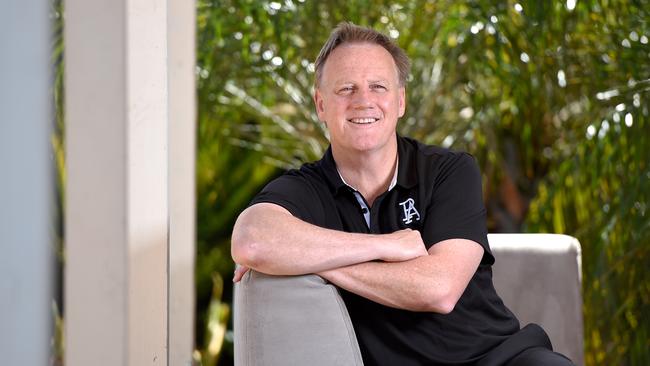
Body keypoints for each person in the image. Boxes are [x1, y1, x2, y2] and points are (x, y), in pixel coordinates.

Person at [231, 22, 574, 366]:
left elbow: (439, 290)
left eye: (378, 87)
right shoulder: (307, 189)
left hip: (499, 359)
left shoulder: (448, 171)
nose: (363, 101)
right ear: (321, 105)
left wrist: (324, 265)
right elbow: (252, 241)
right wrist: (388, 245)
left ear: (400, 101)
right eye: (346, 89)